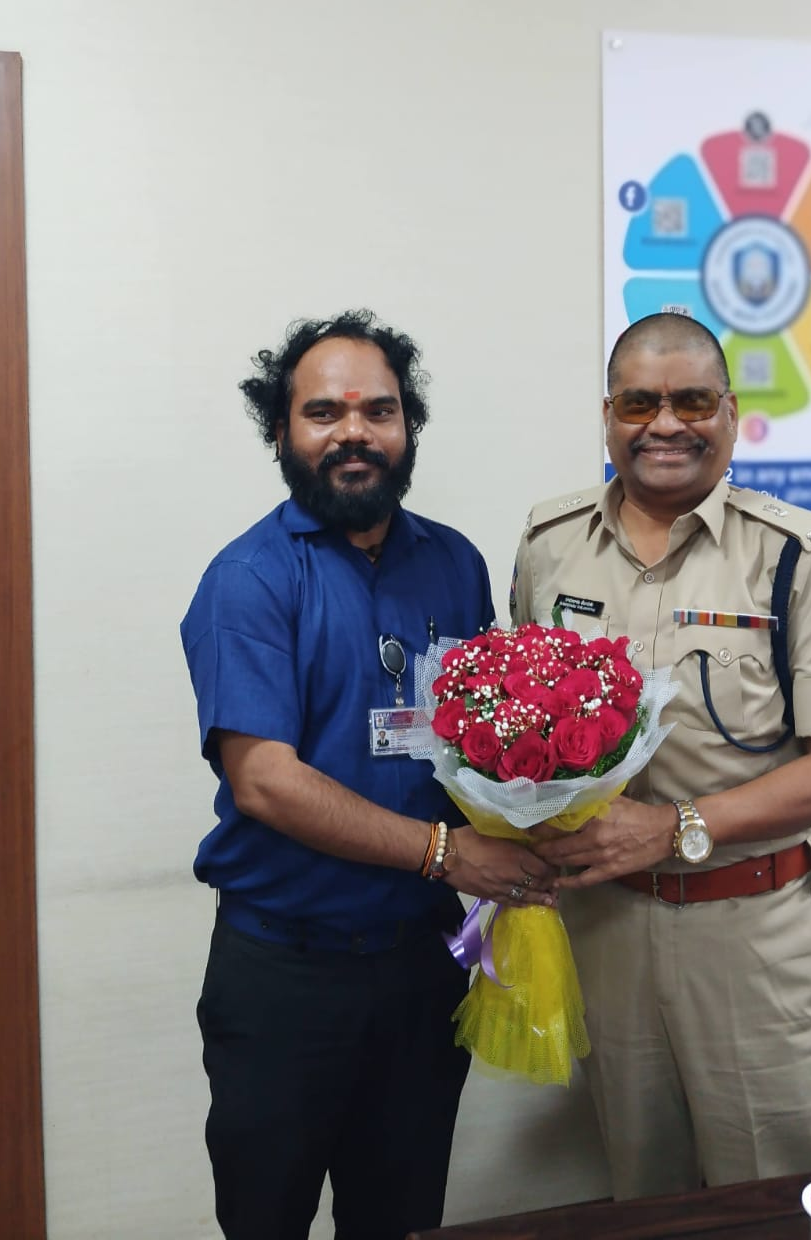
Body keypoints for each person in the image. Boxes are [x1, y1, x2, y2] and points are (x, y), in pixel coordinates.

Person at [181, 309, 556, 1240]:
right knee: (266, 1220)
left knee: (401, 1219)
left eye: (378, 411)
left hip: (421, 970)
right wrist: (446, 854)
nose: (354, 432)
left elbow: (482, 738)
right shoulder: (249, 579)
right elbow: (265, 780)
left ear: (407, 427)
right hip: (285, 978)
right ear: (280, 433)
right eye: (324, 412)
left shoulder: (455, 563)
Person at [512, 312, 811, 1200]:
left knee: (775, 1197)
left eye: (692, 402)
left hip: (751, 936)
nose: (666, 425)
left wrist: (673, 826)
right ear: (609, 416)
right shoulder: (549, 545)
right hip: (606, 934)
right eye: (640, 403)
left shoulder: (794, 555)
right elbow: (521, 728)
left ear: (731, 413)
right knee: (644, 1194)